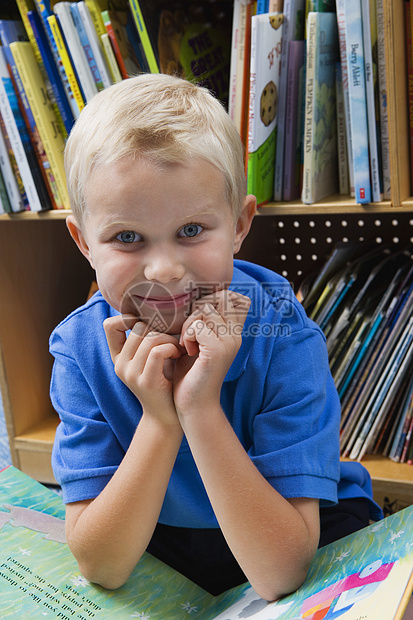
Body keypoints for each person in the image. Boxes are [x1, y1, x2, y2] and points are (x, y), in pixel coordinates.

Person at [50, 73, 382, 601]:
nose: (164, 269)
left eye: (191, 231)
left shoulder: (285, 334)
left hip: (296, 522)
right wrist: (160, 420)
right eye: (127, 237)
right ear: (83, 242)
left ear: (240, 224)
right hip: (160, 525)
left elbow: (281, 572)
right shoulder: (78, 349)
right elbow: (102, 565)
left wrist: (198, 406)